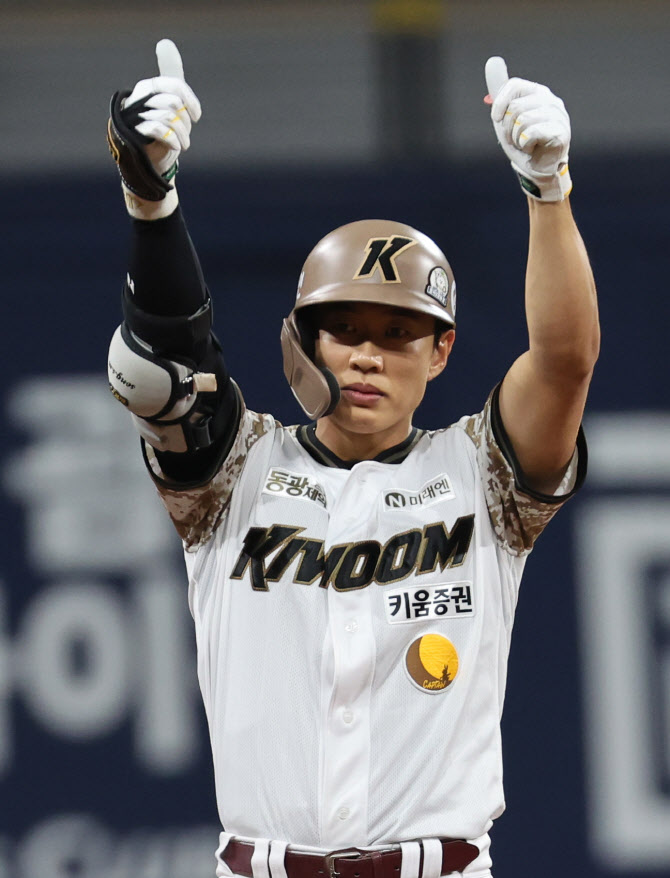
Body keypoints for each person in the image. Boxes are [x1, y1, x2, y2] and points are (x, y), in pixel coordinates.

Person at [106, 40, 599, 878]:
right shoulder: (235, 472)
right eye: (344, 329)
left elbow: (565, 362)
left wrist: (547, 191)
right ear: (304, 340)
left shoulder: (480, 475)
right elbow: (168, 360)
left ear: (441, 352)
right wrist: (151, 199)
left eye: (398, 333)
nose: (368, 355)